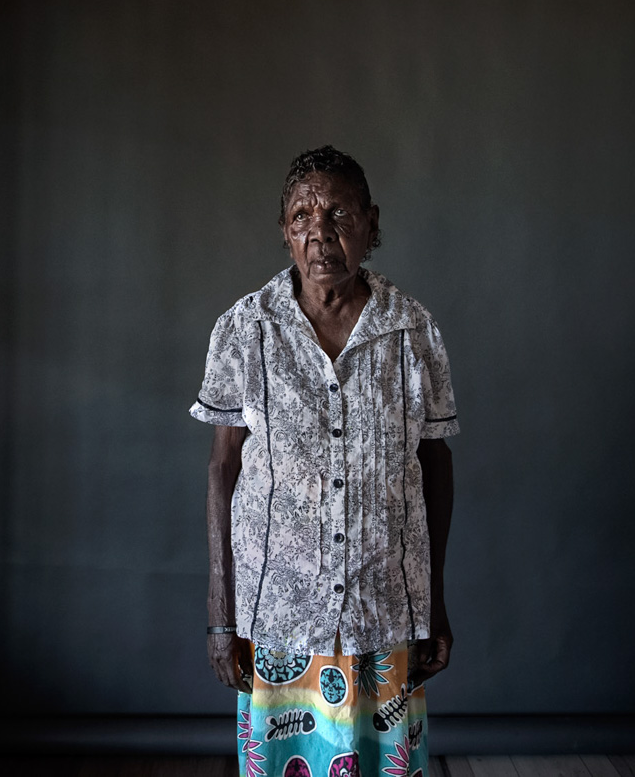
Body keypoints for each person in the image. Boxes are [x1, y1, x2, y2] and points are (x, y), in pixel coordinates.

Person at [191, 146, 458, 777]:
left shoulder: (412, 332)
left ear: (370, 224)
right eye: (302, 215)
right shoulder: (245, 329)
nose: (320, 232)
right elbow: (222, 470)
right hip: (277, 610)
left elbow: (435, 467)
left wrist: (435, 603)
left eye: (338, 213)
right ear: (285, 230)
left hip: (384, 606)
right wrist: (219, 613)